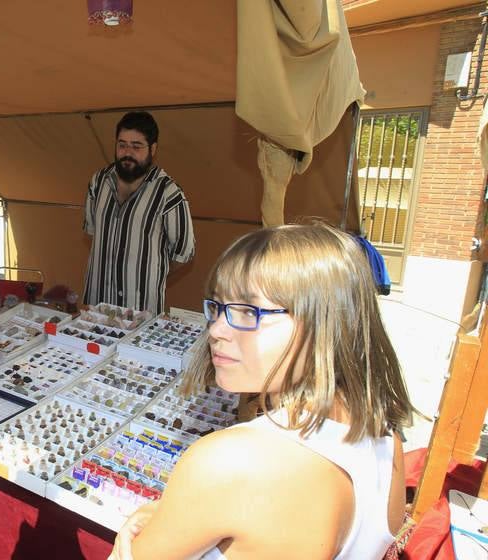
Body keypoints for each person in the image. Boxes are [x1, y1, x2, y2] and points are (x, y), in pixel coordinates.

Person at [110, 223, 415, 560]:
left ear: (324, 323)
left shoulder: (229, 461)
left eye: (248, 311)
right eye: (219, 307)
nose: (217, 329)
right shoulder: (387, 440)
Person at [83, 111, 195, 315]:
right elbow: (92, 233)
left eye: (136, 146)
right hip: (96, 308)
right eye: (122, 144)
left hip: (141, 314)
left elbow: (183, 254)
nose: (127, 153)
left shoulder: (168, 193)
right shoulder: (98, 182)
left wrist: (149, 275)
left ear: (153, 148)